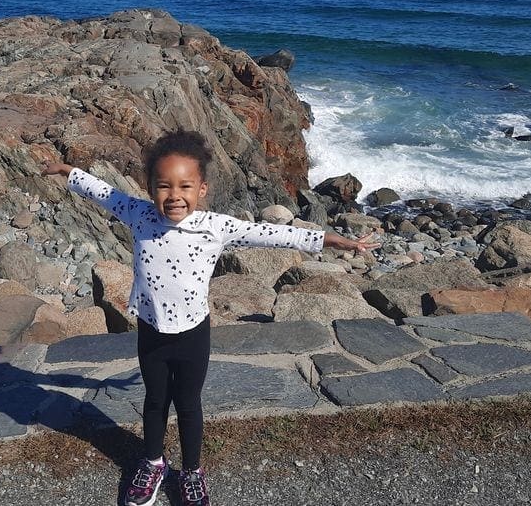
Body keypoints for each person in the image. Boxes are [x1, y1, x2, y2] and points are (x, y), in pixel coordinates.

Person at [42, 130, 379, 506]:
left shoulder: (216, 226)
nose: (174, 195)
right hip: (151, 330)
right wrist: (71, 172)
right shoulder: (139, 213)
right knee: (155, 401)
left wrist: (333, 240)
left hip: (192, 335)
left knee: (188, 404)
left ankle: (190, 472)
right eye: (164, 186)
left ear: (201, 188)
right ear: (150, 187)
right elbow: (105, 194)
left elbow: (273, 234)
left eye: (185, 186)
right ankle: (153, 462)